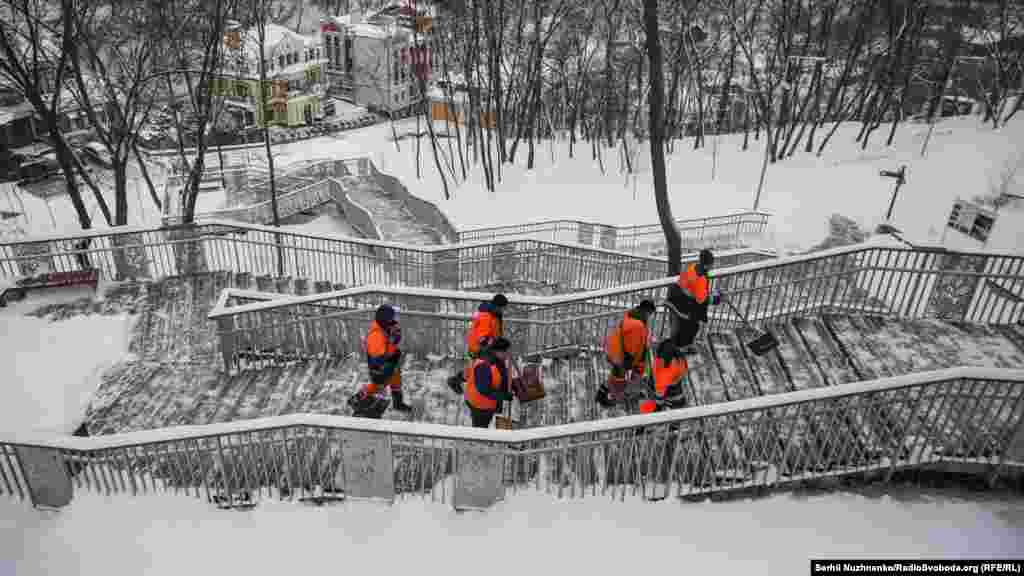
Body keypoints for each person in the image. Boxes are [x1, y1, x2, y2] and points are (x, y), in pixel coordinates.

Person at [348, 304, 411, 417]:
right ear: (385, 319)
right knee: (378, 385)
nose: (394, 320)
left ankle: (398, 403)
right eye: (392, 318)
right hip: (381, 368)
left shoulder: (385, 328)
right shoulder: (376, 335)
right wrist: (393, 349)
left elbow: (389, 344)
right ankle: (356, 399)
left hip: (391, 363)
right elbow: (378, 358)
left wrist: (395, 338)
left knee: (396, 381)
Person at [596, 299, 656, 408]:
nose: (650, 317)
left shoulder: (634, 317)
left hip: (617, 351)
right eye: (650, 314)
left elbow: (634, 340)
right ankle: (607, 398)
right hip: (621, 355)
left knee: (619, 375)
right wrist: (630, 360)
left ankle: (604, 393)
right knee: (619, 378)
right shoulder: (638, 324)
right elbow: (632, 345)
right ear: (648, 311)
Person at [448, 293, 509, 394]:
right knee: (479, 369)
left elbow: (494, 332)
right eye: (503, 308)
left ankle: (457, 380)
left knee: (479, 368)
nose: (504, 310)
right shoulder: (486, 316)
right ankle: (458, 381)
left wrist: (498, 341)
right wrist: (496, 343)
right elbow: (482, 337)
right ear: (497, 306)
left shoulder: (495, 315)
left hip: (488, 347)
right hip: (480, 347)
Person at [667, 248, 721, 348]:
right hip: (686, 307)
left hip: (675, 299)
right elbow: (701, 299)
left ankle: (677, 348)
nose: (713, 266)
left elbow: (686, 285)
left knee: (678, 330)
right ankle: (683, 350)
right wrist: (717, 299)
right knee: (691, 328)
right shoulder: (702, 277)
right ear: (708, 264)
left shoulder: (692, 267)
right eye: (712, 264)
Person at [464, 337, 514, 428]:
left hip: (490, 401)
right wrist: (503, 395)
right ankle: (477, 441)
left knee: (486, 425)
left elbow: (501, 377)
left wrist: (514, 386)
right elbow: (484, 389)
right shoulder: (484, 365)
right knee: (480, 430)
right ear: (499, 351)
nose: (508, 355)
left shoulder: (498, 360)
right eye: (507, 352)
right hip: (479, 403)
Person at [639, 340, 690, 414]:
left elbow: (659, 386)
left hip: (664, 390)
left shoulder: (663, 369)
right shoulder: (678, 361)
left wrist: (658, 402)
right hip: (671, 389)